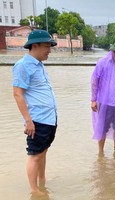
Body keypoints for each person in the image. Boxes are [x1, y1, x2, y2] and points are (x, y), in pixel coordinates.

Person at [12, 29, 58, 196]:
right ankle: (34, 190)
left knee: (43, 152)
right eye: (47, 46)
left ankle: (42, 180)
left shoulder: (39, 65)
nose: (49, 50)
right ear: (35, 46)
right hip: (37, 120)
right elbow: (18, 94)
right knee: (34, 155)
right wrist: (28, 120)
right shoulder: (23, 66)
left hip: (49, 119)